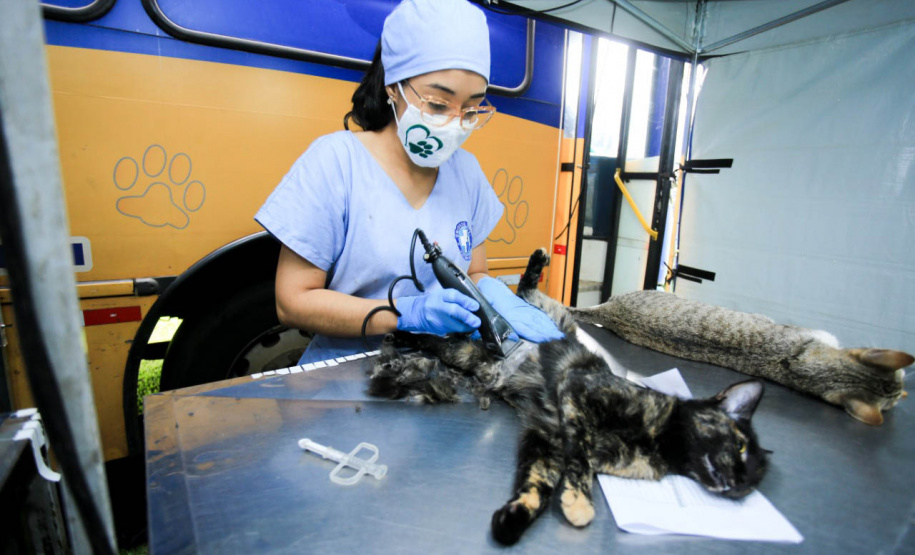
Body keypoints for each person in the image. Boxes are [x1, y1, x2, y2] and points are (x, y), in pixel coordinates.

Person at [255, 0, 562, 365]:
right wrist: (405, 313)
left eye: (472, 108)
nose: (455, 122)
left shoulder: (466, 172)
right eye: (437, 104)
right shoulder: (335, 162)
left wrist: (493, 295)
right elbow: (293, 302)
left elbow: (475, 272)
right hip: (346, 378)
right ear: (393, 86)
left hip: (446, 371)